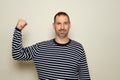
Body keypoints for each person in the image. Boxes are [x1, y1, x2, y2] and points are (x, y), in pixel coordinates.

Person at [12, 12, 91, 80]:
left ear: (69, 25)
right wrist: (18, 29)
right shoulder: (40, 48)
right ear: (54, 25)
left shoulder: (78, 48)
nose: (62, 27)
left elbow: (85, 77)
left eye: (65, 23)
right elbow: (17, 54)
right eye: (59, 23)